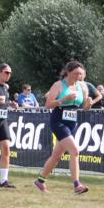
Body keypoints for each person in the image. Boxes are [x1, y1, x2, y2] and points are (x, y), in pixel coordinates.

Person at [34, 61, 92, 194]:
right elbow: (48, 105)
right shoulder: (59, 85)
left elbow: (84, 108)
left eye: (80, 74)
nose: (79, 76)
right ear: (68, 72)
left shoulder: (81, 86)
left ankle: (40, 181)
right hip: (58, 121)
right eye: (76, 73)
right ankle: (77, 185)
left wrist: (88, 104)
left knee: (56, 156)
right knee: (75, 151)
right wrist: (63, 99)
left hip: (72, 122)